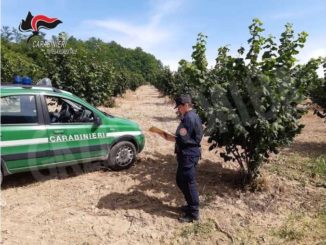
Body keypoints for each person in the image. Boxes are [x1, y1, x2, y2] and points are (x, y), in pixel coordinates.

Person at [170, 94, 204, 222]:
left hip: (188, 155)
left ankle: (194, 213)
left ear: (185, 105)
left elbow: (182, 138)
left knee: (189, 183)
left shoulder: (189, 118)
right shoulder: (192, 115)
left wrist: (169, 137)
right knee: (180, 180)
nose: (178, 109)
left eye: (179, 107)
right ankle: (190, 206)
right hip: (188, 154)